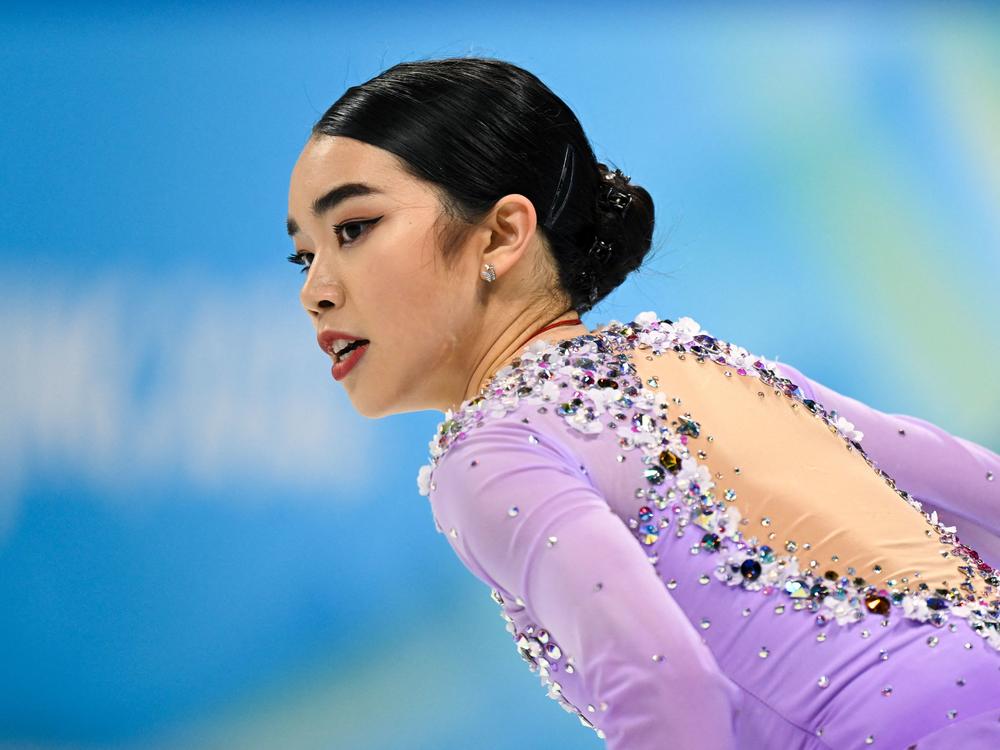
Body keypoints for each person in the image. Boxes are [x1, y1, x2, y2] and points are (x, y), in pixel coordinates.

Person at [286, 56, 1000, 749]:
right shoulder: (694, 361)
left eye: (353, 229)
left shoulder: (494, 453)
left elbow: (672, 694)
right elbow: (985, 495)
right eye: (304, 254)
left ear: (502, 233)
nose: (315, 290)